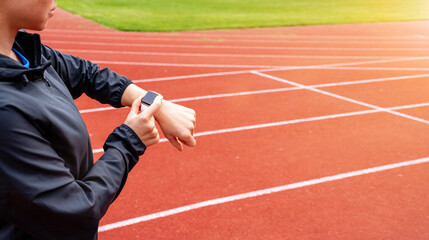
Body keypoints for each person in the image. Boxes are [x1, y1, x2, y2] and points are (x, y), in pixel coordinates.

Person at [0, 0, 196, 239]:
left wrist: (155, 104)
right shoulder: (5, 113)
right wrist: (129, 141)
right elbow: (75, 212)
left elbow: (87, 74)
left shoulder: (22, 52)